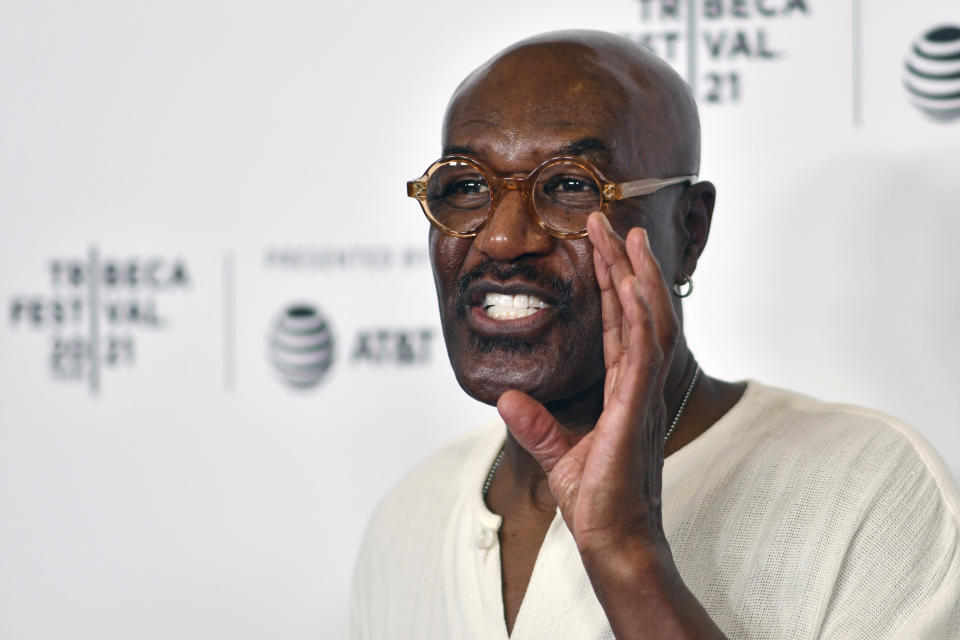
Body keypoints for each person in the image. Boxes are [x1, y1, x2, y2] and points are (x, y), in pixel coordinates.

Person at [349, 30, 960, 639]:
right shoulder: (411, 515)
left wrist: (626, 552)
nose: (503, 238)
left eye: (570, 186)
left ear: (688, 231)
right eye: (467, 186)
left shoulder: (870, 493)